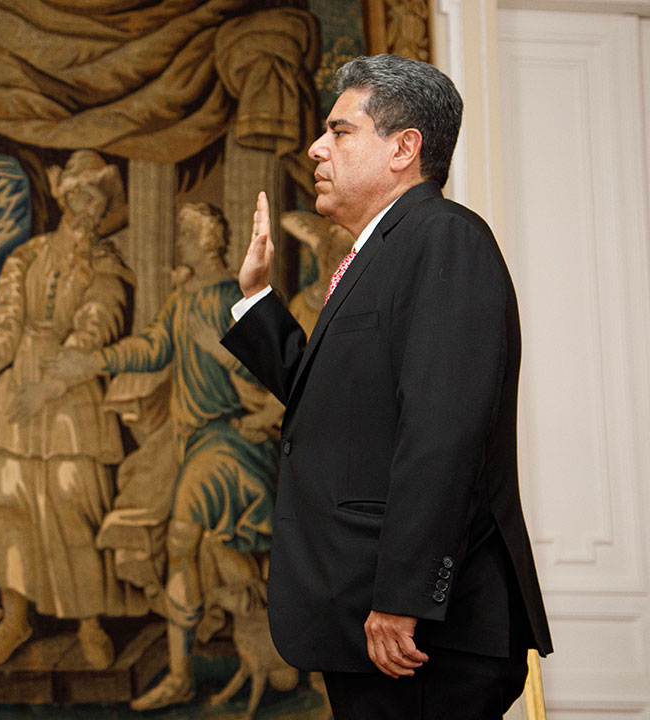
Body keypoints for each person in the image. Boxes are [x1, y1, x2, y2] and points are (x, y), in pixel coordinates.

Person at [220, 55, 552, 718]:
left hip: (425, 634)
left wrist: (403, 597)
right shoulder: (385, 251)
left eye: (340, 132)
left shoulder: (443, 239)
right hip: (380, 627)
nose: (316, 147)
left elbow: (444, 432)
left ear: (403, 148)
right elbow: (340, 409)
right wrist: (256, 299)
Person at [46, 203, 283, 709]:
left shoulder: (233, 298)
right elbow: (152, 349)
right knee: (193, 546)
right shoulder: (182, 299)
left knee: (180, 539)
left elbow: (267, 375)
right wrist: (95, 360)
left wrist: (216, 348)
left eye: (184, 234)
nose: (178, 243)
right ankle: (190, 668)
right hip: (193, 440)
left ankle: (181, 673)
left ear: (209, 241)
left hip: (230, 440)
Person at [0, 149, 143, 670]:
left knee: (72, 505)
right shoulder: (26, 256)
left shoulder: (109, 264)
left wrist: (52, 383)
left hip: (71, 398)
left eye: (97, 198)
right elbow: (5, 329)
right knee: (11, 506)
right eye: (80, 194)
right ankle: (16, 618)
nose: (88, 206)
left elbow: (96, 327)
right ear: (64, 198)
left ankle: (88, 621)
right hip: (18, 392)